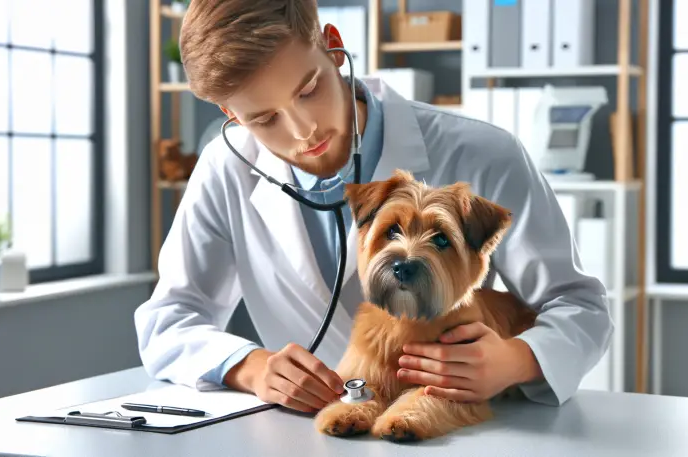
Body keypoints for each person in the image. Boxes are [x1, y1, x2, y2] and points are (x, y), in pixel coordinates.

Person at [134, 0, 613, 414]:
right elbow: (170, 319)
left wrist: (514, 360)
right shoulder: (225, 168)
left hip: (453, 428)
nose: (304, 132)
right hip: (309, 437)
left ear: (332, 44)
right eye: (263, 118)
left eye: (308, 90)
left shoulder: (483, 153)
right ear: (231, 116)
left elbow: (581, 306)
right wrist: (250, 367)